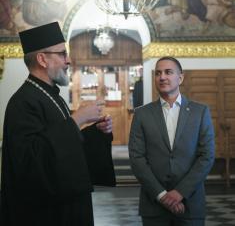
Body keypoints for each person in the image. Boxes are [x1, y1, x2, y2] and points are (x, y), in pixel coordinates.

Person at [1, 22, 116, 226]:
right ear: (42, 59)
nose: (69, 60)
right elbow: (30, 160)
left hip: (67, 204)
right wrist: (77, 119)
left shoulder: (52, 96)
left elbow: (66, 147)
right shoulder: (23, 102)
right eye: (63, 54)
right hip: (44, 212)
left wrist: (95, 132)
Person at [128, 56, 215, 226]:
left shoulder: (200, 112)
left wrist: (179, 193)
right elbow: (137, 158)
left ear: (180, 78)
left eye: (168, 72)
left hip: (190, 203)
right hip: (153, 205)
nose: (162, 77)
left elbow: (207, 156)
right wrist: (162, 195)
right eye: (158, 73)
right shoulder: (142, 114)